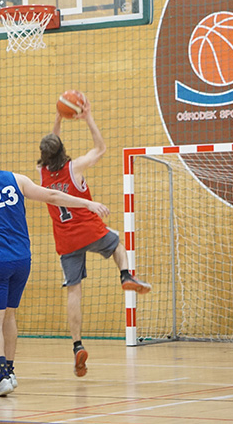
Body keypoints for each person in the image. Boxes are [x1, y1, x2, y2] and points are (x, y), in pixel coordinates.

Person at [0, 135, 111, 397]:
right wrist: (87, 203)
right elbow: (52, 195)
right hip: (22, 260)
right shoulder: (17, 180)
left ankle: (2, 376)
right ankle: (8, 372)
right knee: (9, 315)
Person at [38, 98, 152, 377]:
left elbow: (51, 148)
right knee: (118, 245)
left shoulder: (41, 174)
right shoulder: (75, 167)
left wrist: (58, 120)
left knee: (73, 290)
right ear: (63, 150)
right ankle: (125, 275)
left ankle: (77, 344)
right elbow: (100, 148)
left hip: (65, 240)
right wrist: (87, 117)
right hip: (89, 229)